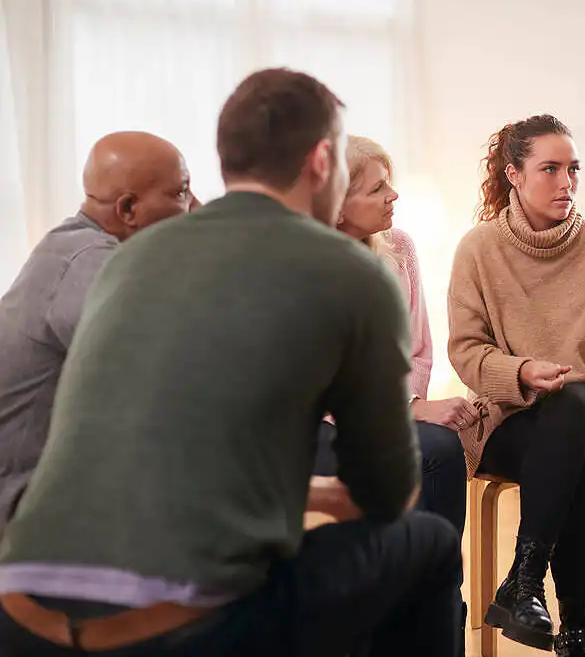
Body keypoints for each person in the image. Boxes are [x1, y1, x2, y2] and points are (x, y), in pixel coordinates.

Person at [0, 68, 461, 656]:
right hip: (165, 628)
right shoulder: (355, 272)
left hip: (19, 609)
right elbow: (386, 493)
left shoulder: (129, 258)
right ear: (323, 162)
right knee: (429, 543)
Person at [448, 114, 585, 657]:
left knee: (574, 405)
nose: (566, 183)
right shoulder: (478, 249)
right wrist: (520, 372)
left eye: (573, 169)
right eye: (550, 169)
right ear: (513, 174)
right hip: (514, 419)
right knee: (581, 462)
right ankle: (577, 626)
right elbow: (467, 350)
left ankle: (524, 580)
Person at [0, 131, 194, 533]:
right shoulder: (89, 263)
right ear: (127, 209)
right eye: (181, 193)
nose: (193, 209)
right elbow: (170, 372)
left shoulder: (77, 248)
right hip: (23, 500)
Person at [314, 135, 471, 538]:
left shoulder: (399, 247)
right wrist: (408, 408)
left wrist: (408, 403)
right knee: (407, 457)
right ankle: (396, 587)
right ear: (337, 207)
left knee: (442, 448)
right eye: (377, 188)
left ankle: (441, 596)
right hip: (314, 423)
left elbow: (418, 353)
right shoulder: (303, 266)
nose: (393, 194)